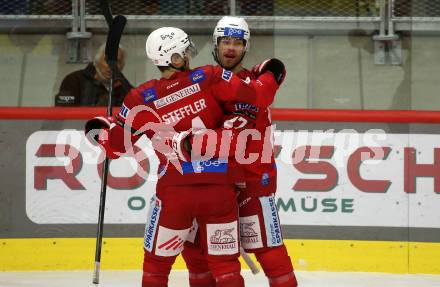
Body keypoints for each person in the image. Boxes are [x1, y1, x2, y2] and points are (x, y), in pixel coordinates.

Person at [84, 27, 286, 287]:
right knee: (225, 267)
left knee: (156, 268)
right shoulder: (210, 76)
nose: (189, 56)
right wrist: (270, 75)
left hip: (174, 196)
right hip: (219, 193)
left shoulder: (139, 98)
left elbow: (116, 148)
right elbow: (257, 97)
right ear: (176, 58)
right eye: (185, 52)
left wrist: (98, 128)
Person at [181, 16, 298, 287]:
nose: (231, 48)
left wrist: (191, 143)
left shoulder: (256, 79)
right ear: (216, 44)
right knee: (197, 252)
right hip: (212, 180)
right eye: (225, 42)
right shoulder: (201, 81)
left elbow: (270, 78)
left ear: (246, 47)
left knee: (268, 250)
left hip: (253, 178)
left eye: (237, 42)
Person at [55, 43, 133, 106]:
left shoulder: (124, 88)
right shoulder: (73, 80)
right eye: (107, 61)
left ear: (122, 66)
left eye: (117, 62)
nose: (112, 66)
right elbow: (62, 112)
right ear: (97, 61)